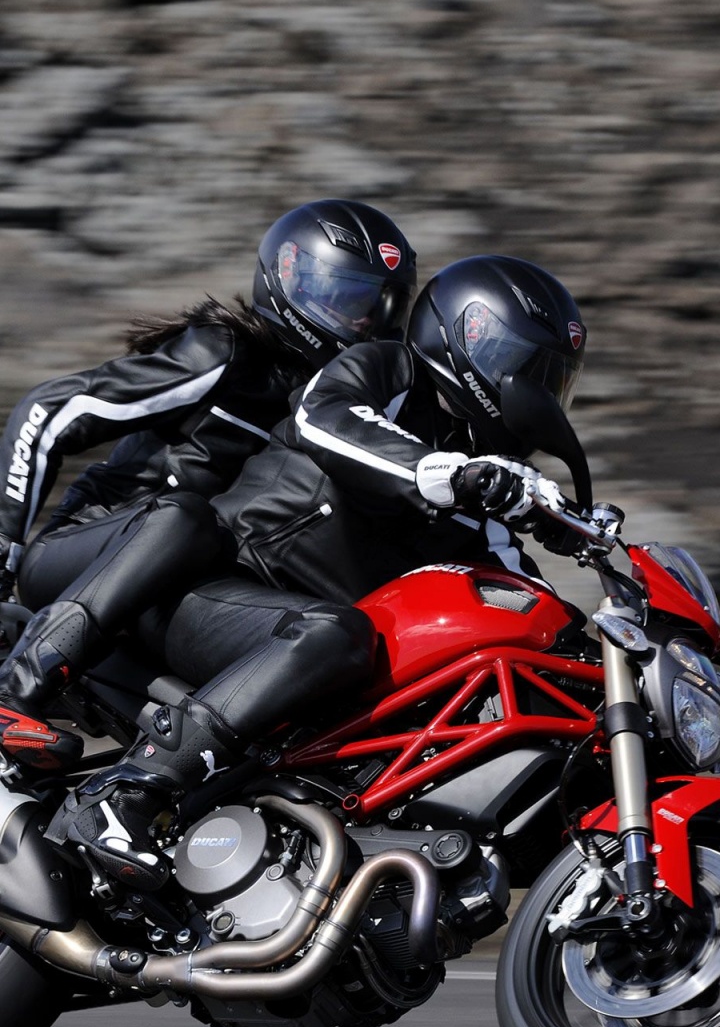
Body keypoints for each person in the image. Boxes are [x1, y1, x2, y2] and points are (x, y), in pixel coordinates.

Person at [49, 253, 587, 891]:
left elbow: (525, 602)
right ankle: (128, 791)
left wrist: (607, 662)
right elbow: (324, 421)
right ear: (466, 336)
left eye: (552, 378)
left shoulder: (482, 491)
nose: (534, 387)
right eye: (523, 364)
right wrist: (438, 473)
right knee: (338, 631)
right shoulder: (388, 372)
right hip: (203, 592)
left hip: (284, 654)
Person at [0, 200, 417, 778]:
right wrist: (5, 544)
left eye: (374, 305)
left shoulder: (342, 407)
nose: (360, 322)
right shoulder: (226, 354)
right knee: (189, 518)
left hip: (172, 594)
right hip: (86, 555)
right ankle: (14, 690)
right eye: (343, 297)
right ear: (287, 275)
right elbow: (47, 412)